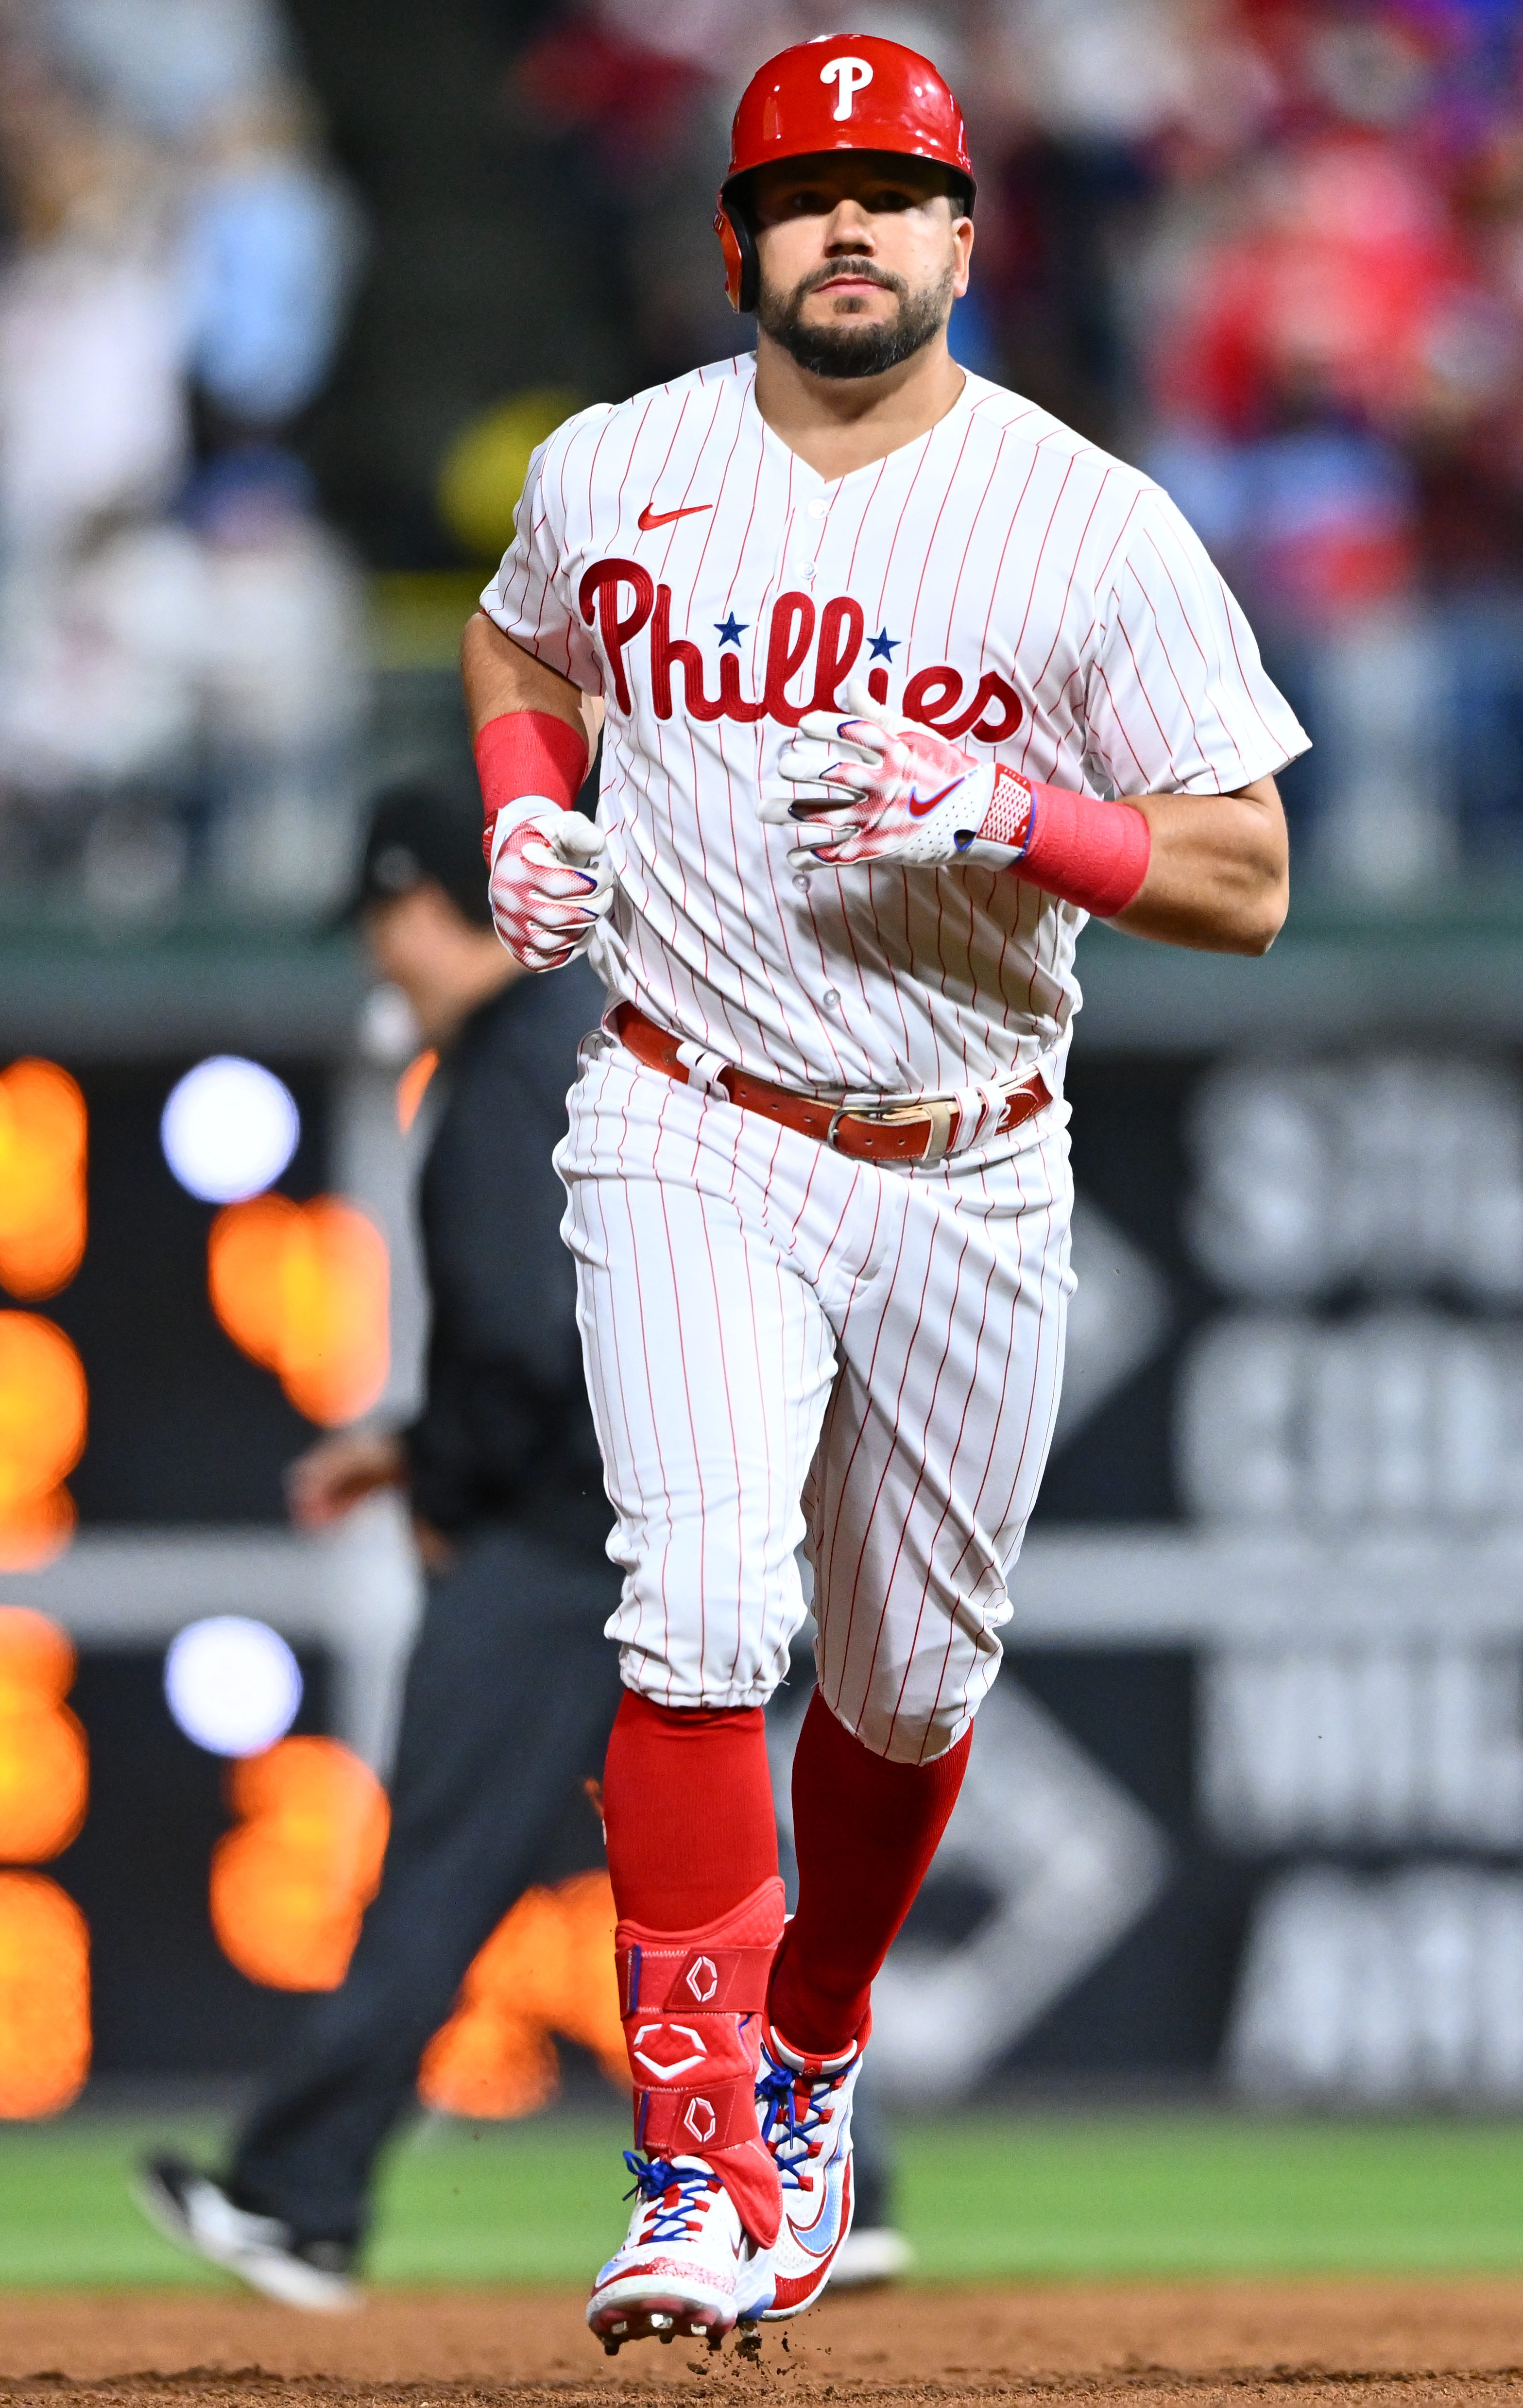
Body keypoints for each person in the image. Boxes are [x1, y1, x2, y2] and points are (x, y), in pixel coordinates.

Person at [469, 34, 1303, 2348]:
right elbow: (519, 642)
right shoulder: (612, 468)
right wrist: (526, 803)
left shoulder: (1088, 521)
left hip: (966, 1157)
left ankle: (812, 2049)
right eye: (803, 191)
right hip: (685, 1109)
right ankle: (689, 2160)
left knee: (912, 1686)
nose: (848, 225)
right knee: (697, 1612)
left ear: (960, 239)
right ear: (737, 239)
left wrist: (1015, 815)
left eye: (891, 191)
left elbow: (1246, 877)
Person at [133, 779, 920, 2305]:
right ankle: (840, 2181)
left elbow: (532, 1342)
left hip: (559, 1542)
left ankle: (298, 2196)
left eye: (383, 918)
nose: (378, 954)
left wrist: (443, 1478)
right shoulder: (615, 1034)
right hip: (681, 1521)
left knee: (437, 1879)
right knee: (723, 1880)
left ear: (436, 900)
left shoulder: (506, 1067)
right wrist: (412, 1446)